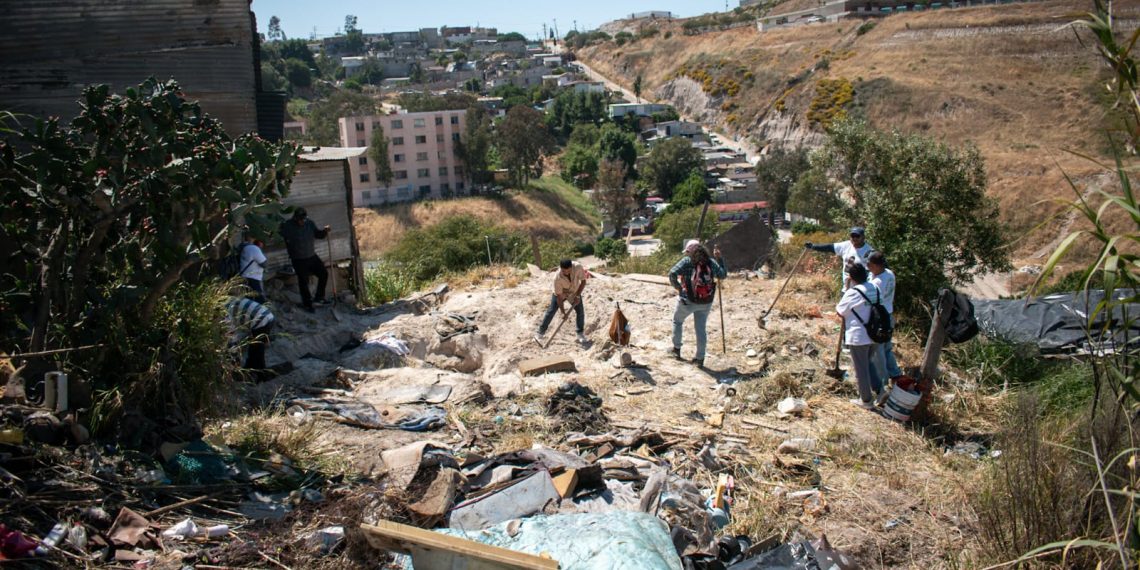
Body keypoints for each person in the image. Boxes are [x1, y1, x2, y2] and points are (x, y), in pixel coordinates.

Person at [668, 240, 727, 367]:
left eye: (688, 252)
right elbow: (722, 275)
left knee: (677, 321)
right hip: (706, 301)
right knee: (700, 329)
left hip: (688, 300)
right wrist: (720, 259)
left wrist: (679, 288)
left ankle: (676, 350)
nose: (687, 254)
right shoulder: (711, 262)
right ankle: (700, 358)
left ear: (692, 251)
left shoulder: (687, 262)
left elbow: (672, 273)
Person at [836, 263, 885, 409]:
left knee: (861, 369)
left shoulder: (853, 292)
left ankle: (866, 400)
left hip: (859, 336)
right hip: (875, 334)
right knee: (868, 364)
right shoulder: (875, 288)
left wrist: (846, 288)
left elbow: (840, 311)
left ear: (851, 278)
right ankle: (880, 391)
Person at [279, 208, 330, 313]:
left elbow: (318, 235)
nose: (302, 221)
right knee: (303, 282)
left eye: (303, 219)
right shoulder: (287, 226)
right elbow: (278, 235)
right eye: (300, 220)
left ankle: (319, 297)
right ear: (295, 218)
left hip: (311, 256)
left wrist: (325, 232)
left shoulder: (309, 223)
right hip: (298, 259)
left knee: (323, 273)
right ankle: (307, 304)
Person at [534, 259, 590, 345]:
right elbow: (559, 298)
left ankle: (580, 334)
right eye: (564, 271)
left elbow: (583, 281)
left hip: (574, 291)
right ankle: (540, 333)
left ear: (572, 267)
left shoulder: (578, 267)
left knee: (580, 311)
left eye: (568, 271)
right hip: (561, 293)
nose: (566, 273)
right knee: (551, 311)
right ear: (561, 268)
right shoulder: (557, 278)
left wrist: (578, 295)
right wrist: (563, 312)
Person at [867, 251, 902, 382]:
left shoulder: (877, 283)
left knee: (878, 350)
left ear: (876, 266)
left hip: (879, 318)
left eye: (869, 265)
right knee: (887, 347)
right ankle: (895, 373)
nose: (868, 268)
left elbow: (869, 301)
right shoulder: (889, 273)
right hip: (889, 314)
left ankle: (883, 379)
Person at [805, 227, 874, 291]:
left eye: (857, 236)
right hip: (846, 289)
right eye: (853, 236)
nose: (855, 238)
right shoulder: (846, 245)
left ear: (863, 237)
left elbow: (872, 271)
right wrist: (813, 246)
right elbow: (829, 247)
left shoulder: (869, 251)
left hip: (862, 290)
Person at [225, 296, 275, 376]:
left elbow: (232, 339)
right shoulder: (227, 301)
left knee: (256, 350)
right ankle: (253, 371)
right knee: (255, 348)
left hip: (261, 320)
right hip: (268, 316)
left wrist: (234, 360)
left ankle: (260, 375)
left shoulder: (224, 314)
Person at [239, 235, 268, 303]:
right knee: (260, 302)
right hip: (253, 278)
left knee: (249, 301)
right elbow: (264, 264)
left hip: (244, 277)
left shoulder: (243, 247)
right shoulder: (253, 248)